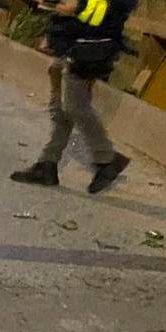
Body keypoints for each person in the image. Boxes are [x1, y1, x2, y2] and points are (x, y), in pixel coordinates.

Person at [10, 0, 136, 193]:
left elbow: (114, 7)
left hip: (91, 44)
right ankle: (48, 164)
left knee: (74, 105)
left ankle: (107, 158)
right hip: (73, 40)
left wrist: (78, 7)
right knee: (60, 104)